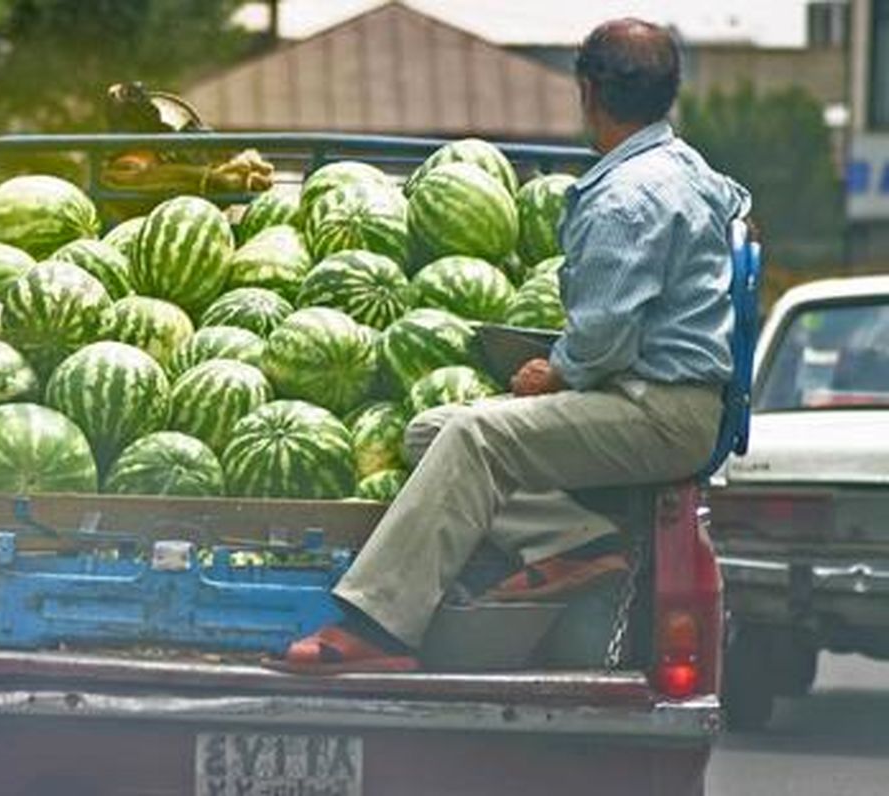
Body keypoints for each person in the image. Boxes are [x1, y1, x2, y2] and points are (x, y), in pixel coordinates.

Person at [273, 18, 752, 674]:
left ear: (586, 90)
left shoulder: (628, 195)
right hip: (671, 403)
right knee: (432, 433)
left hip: (659, 411)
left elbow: (604, 339)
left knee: (476, 436)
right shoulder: (685, 168)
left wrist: (552, 373)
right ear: (668, 94)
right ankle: (579, 543)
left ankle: (380, 628)